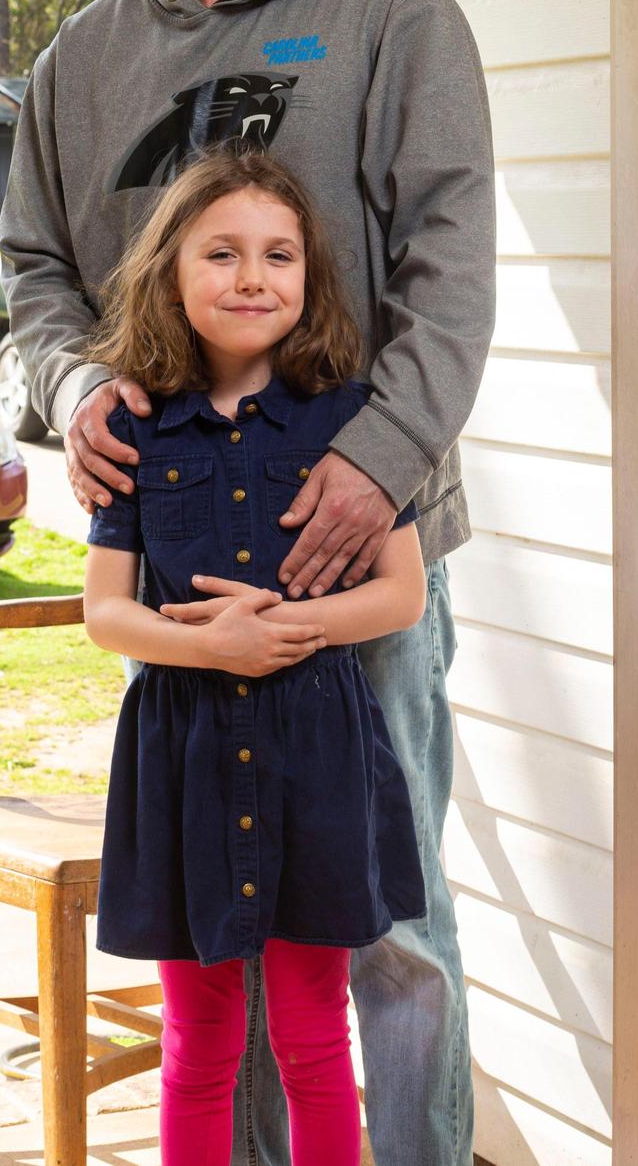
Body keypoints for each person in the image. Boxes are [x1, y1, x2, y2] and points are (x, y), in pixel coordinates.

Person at [0, 0, 495, 1166]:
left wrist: (376, 461)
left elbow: (455, 274)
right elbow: (29, 276)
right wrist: (73, 386)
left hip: (362, 561)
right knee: (229, 921)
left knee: (381, 920)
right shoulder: (76, 66)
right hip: (184, 574)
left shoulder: (389, 6)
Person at [82, 148, 428, 1165]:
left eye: (279, 254)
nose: (251, 276)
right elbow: (106, 612)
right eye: (221, 252)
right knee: (198, 1040)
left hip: (314, 753)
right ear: (171, 274)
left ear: (309, 278)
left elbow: (400, 593)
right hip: (181, 756)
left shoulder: (349, 418)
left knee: (315, 1033)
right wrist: (213, 646)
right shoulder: (132, 425)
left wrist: (293, 628)